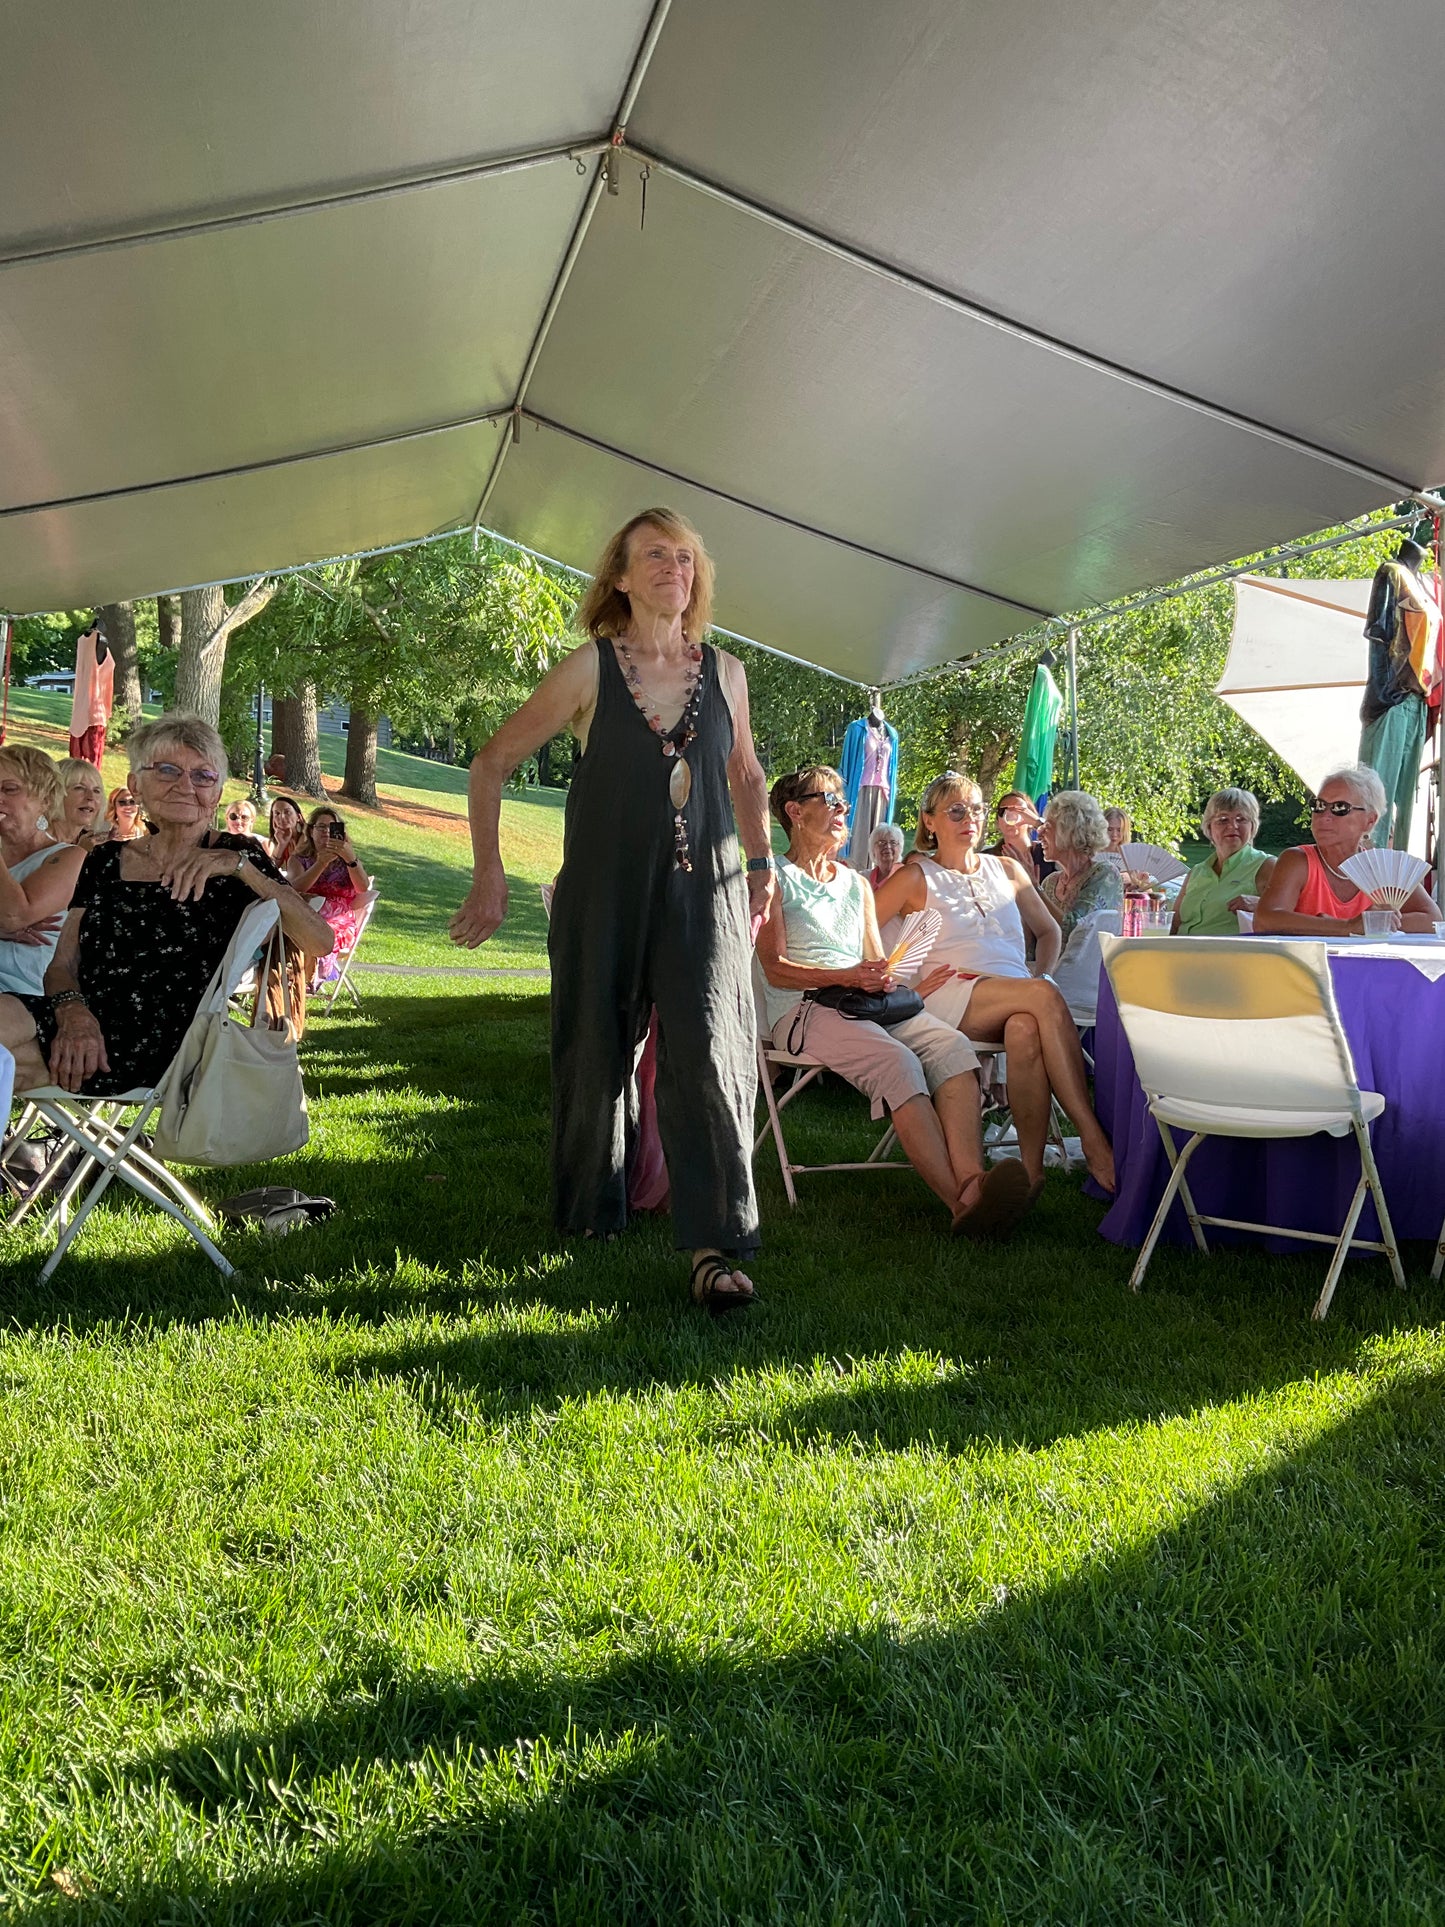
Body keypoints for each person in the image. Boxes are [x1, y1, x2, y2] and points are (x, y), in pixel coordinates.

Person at [450, 506, 775, 1314]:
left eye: (685, 557)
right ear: (622, 578)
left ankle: (715, 1243)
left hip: (705, 894)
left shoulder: (727, 672)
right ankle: (593, 1208)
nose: (674, 568)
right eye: (654, 556)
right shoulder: (591, 669)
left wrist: (762, 864)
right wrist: (487, 874)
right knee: (595, 1052)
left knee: (709, 1055)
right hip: (602, 893)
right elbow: (490, 763)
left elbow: (747, 777)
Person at [758, 766, 1033, 1236]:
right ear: (795, 812)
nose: (844, 810)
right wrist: (846, 974)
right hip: (804, 1008)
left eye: (845, 801)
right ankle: (962, 1203)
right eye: (832, 801)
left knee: (953, 1050)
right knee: (897, 1062)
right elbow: (775, 968)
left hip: (864, 1003)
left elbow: (876, 962)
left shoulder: (857, 885)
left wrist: (903, 987)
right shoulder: (772, 879)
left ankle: (972, 1180)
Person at [0, 714, 332, 1096]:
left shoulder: (236, 856)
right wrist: (73, 1012)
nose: (185, 786)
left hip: (165, 1040)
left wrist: (240, 869)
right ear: (134, 784)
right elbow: (61, 964)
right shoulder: (105, 860)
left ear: (218, 792)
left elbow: (319, 941)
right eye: (168, 770)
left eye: (203, 776)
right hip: (77, 1020)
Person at [875, 772, 1114, 1194]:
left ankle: (1029, 1173)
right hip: (953, 993)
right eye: (956, 811)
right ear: (929, 821)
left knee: (1025, 1027)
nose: (971, 818)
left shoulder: (1006, 870)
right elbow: (860, 932)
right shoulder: (915, 876)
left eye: (977, 809)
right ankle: (1092, 1137)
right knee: (1042, 996)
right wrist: (903, 985)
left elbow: (1049, 933)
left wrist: (1039, 974)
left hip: (1014, 993)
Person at [1255, 765, 1437, 936]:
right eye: (1319, 806)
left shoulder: (1382, 868)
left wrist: (1375, 924)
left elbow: (1433, 919)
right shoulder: (1299, 860)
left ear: (1369, 821)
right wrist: (1349, 926)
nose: (1324, 816)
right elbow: (1265, 920)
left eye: (1340, 808)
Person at [0, 747, 88, 997]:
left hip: (22, 992)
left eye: (9, 789)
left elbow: (14, 915)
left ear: (45, 801)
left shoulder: (69, 857)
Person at [1172, 789, 1278, 936]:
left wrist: (1260, 905)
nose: (1232, 826)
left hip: (1232, 955)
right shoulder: (1197, 872)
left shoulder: (1267, 866)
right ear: (1209, 827)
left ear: (1252, 826)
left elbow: (1298, 912)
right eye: (1223, 820)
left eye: (1241, 819)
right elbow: (1174, 923)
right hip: (1181, 952)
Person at [287, 807, 371, 979]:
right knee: (296, 929)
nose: (326, 832)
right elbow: (294, 890)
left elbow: (363, 888)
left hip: (338, 921)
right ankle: (298, 974)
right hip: (305, 915)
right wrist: (320, 864)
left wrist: (350, 859)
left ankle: (309, 976)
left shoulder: (348, 860)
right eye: (321, 827)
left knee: (320, 932)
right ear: (311, 831)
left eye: (332, 827)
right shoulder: (299, 860)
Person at [1039, 792, 1124, 944]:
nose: (1039, 834)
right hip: (1048, 967)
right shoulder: (1050, 882)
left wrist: (1032, 888)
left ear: (1069, 831)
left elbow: (1076, 932)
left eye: (1047, 827)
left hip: (1088, 968)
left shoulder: (1105, 874)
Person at [983, 788, 1056, 885]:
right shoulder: (987, 859)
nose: (1010, 815)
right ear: (997, 822)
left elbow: (1070, 844)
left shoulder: (1047, 852)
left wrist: (1037, 822)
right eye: (1003, 811)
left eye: (1020, 811)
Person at [55, 758, 106, 848]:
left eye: (96, 791)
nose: (91, 797)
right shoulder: (33, 842)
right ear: (56, 793)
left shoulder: (98, 846)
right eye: (79, 788)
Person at [265, 795, 305, 868]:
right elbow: (270, 868)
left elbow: (297, 867)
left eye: (287, 812)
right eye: (277, 813)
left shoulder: (308, 837)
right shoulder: (284, 840)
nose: (282, 817)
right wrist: (281, 845)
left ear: (298, 817)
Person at [868, 822, 905, 890]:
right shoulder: (864, 877)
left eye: (893, 842)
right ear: (873, 849)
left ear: (900, 848)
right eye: (881, 842)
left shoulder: (906, 878)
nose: (888, 846)